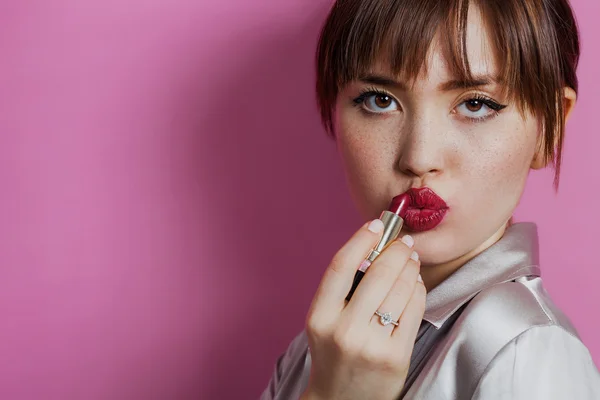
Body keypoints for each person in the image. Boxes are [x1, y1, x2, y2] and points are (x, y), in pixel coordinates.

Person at [260, 0, 600, 398]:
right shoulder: (324, 344)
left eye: (475, 104)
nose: (418, 157)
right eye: (379, 100)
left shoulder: (525, 354)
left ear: (550, 128)